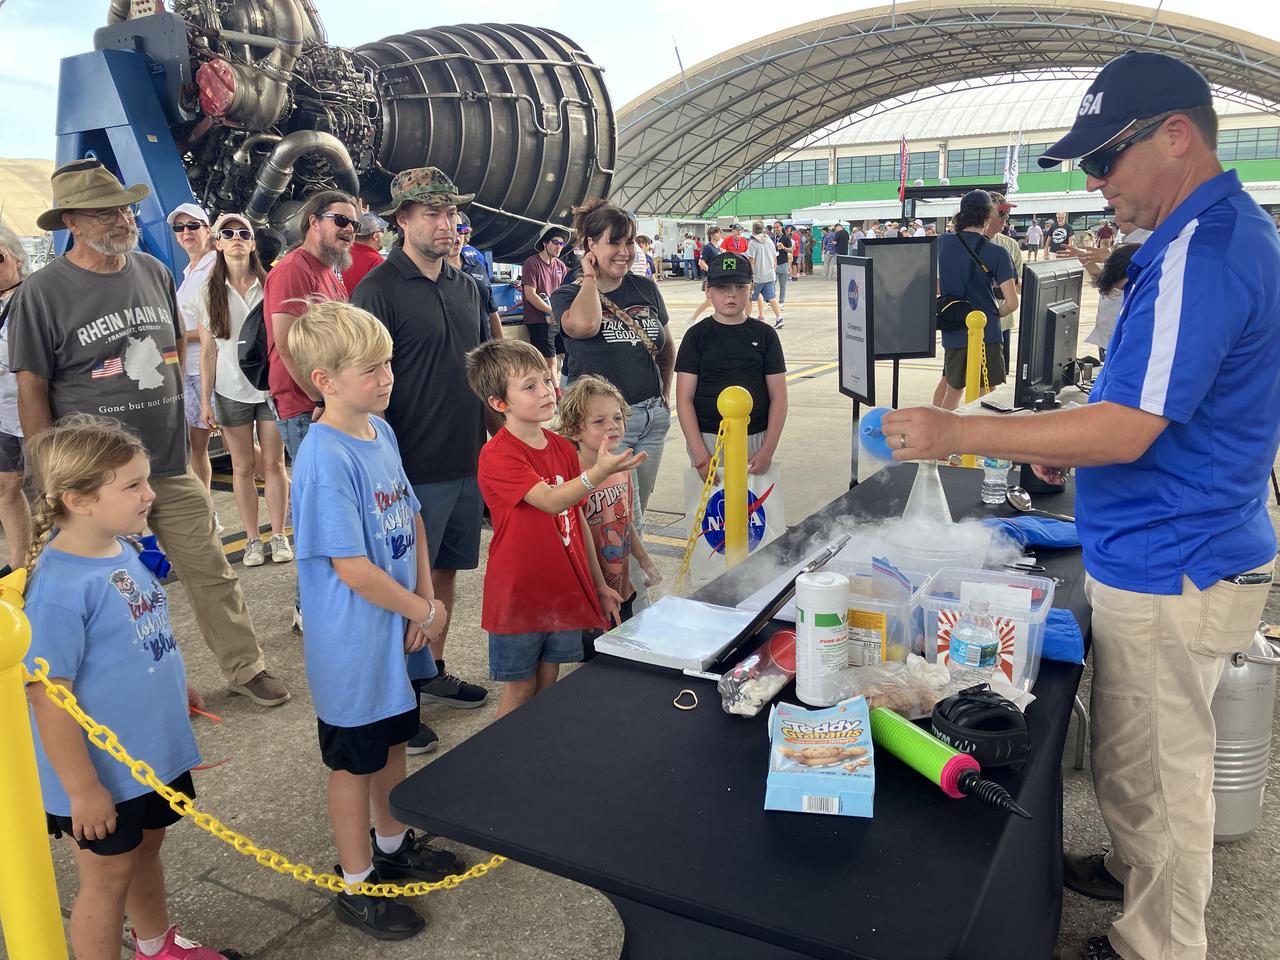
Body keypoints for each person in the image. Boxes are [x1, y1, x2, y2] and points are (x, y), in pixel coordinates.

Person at [884, 51, 1280, 960]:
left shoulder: (1205, 250)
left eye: (1107, 157)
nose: (1095, 180)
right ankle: (1143, 872)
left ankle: (1160, 941)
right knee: (1135, 760)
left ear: (1177, 136)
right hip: (1167, 546)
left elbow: (1130, 427)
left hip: (1173, 561)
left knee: (1162, 774)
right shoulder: (1198, 240)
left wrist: (961, 437)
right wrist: (1053, 436)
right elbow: (1147, 401)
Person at [10, 159, 288, 707]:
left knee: (211, 571)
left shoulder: (153, 271)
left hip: (165, 464)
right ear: (72, 220)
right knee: (101, 588)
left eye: (125, 206)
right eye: (106, 210)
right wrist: (48, 473)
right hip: (92, 479)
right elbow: (31, 389)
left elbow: (177, 349)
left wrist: (189, 413)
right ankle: (100, 690)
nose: (123, 217)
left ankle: (245, 666)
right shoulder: (41, 293)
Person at [22, 414, 230, 960]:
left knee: (147, 847)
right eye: (133, 485)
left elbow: (146, 631)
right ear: (79, 499)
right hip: (100, 772)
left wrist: (177, 686)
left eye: (146, 480)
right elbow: (47, 694)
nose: (149, 494)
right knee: (106, 877)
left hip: (151, 750)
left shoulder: (125, 549)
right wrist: (83, 790)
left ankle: (157, 945)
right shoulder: (59, 588)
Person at [287, 300, 462, 941]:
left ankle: (392, 843)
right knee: (353, 763)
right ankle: (356, 882)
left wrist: (425, 600)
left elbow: (410, 515)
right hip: (355, 643)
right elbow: (351, 566)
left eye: (389, 363)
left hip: (399, 628)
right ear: (325, 380)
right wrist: (423, 607)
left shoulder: (379, 432)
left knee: (394, 740)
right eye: (372, 368)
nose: (388, 377)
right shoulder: (324, 457)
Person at [351, 167, 492, 755]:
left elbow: (485, 374)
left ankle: (429, 670)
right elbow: (360, 386)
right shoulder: (377, 291)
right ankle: (398, 701)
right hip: (406, 469)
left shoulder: (468, 285)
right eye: (431, 214)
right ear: (401, 221)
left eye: (450, 213)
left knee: (445, 572)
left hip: (465, 461)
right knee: (400, 584)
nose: (446, 224)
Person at [465, 338, 637, 717]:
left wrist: (597, 584)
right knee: (521, 689)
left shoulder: (560, 447)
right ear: (499, 403)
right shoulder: (498, 454)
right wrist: (598, 473)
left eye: (546, 379)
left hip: (561, 590)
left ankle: (533, 756)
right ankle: (503, 761)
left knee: (549, 679)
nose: (546, 391)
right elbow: (551, 500)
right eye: (529, 386)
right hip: (520, 595)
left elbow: (574, 521)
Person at [551, 198, 674, 511]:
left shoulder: (646, 288)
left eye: (630, 242)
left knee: (636, 514)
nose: (625, 251)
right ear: (590, 245)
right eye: (614, 242)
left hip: (650, 419)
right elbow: (585, 326)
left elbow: (666, 346)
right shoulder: (568, 293)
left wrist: (664, 394)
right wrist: (590, 277)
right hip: (601, 426)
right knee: (611, 520)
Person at [193, 213, 291, 568]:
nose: (236, 238)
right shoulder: (208, 291)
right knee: (242, 466)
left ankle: (278, 533)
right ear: (217, 243)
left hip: (268, 388)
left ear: (252, 243)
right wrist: (205, 402)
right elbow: (207, 350)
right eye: (228, 233)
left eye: (243, 233)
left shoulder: (271, 285)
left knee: (274, 462)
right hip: (230, 389)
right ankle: (252, 539)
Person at [556, 374, 662, 645]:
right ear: (572, 430)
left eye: (617, 418)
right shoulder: (571, 478)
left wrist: (645, 561)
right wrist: (598, 587)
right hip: (590, 596)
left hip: (622, 591)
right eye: (599, 421)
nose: (612, 426)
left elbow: (626, 524)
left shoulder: (621, 468)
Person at [676, 251, 787, 480]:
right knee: (712, 511)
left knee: (754, 511)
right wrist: (700, 456)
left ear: (751, 288)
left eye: (739, 287)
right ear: (708, 291)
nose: (731, 295)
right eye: (722, 287)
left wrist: (767, 450)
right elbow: (684, 399)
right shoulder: (696, 336)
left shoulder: (765, 335)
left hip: (755, 436)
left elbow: (779, 396)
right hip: (708, 438)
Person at [263, 189, 355, 463]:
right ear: (313, 223)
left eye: (354, 224)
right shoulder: (294, 269)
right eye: (340, 220)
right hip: (306, 407)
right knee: (317, 493)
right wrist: (319, 400)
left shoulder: (327, 271)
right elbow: (288, 343)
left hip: (328, 401)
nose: (349, 229)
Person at [931, 189, 1017, 410]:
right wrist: (997, 312)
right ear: (988, 217)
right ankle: (975, 442)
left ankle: (942, 439)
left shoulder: (942, 243)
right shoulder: (998, 253)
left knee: (953, 389)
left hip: (954, 325)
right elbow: (1012, 302)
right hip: (986, 330)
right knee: (983, 394)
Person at [167, 203, 217, 510]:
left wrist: (172, 338)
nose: (186, 232)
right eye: (179, 228)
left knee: (198, 448)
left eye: (193, 226)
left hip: (204, 371)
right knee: (200, 447)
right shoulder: (189, 273)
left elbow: (216, 328)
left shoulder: (213, 269)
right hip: (189, 371)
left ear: (207, 230)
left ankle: (205, 514)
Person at [0, 224, 31, 570]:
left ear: (18, 260)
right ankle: (20, 561)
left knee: (62, 490)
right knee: (5, 486)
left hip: (35, 409)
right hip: (2, 414)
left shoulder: (34, 296)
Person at [521, 224, 570, 374]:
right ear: (544, 242)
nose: (559, 246)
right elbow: (530, 294)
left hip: (557, 318)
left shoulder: (560, 266)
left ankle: (567, 388)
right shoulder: (532, 263)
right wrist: (551, 311)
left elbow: (565, 291)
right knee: (549, 361)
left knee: (568, 353)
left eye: (561, 243)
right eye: (555, 242)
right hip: (538, 320)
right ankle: (556, 394)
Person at [1081, 242, 1141, 356]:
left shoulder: (1133, 291)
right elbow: (1101, 280)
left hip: (1123, 347)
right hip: (1108, 343)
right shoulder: (1114, 284)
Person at [986, 193, 1024, 370]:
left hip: (1002, 324)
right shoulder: (957, 243)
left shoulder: (1010, 245)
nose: (1006, 218)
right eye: (1001, 213)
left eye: (1007, 213)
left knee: (995, 377)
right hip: (968, 325)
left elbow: (1019, 284)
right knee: (956, 378)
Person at [456, 213, 504, 341]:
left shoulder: (478, 265)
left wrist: (501, 346)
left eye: (461, 230)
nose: (457, 235)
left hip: (484, 348)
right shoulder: (434, 271)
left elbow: (492, 310)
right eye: (453, 229)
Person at [746, 222, 784, 328]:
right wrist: (773, 270)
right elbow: (774, 258)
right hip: (770, 274)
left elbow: (751, 260)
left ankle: (746, 320)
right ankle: (779, 318)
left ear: (753, 230)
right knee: (771, 297)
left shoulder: (753, 243)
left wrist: (750, 276)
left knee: (749, 298)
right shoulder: (769, 241)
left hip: (758, 276)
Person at [341, 212, 387, 292]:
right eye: (381, 231)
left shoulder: (346, 255)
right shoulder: (376, 261)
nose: (382, 235)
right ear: (375, 236)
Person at [689, 227, 723, 321]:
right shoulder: (708, 247)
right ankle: (693, 317)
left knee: (712, 300)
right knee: (710, 300)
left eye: (720, 233)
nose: (720, 235)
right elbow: (701, 262)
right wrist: (711, 271)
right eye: (717, 233)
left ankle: (693, 318)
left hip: (717, 276)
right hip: (710, 277)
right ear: (712, 235)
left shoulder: (717, 247)